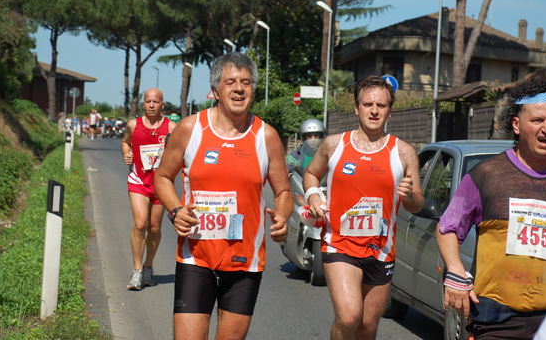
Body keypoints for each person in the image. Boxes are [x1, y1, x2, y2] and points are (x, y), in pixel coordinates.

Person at [154, 53, 293, 340]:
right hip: (197, 256)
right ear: (216, 91)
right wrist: (175, 209)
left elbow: (283, 191)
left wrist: (282, 216)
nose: (239, 89)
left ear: (253, 89)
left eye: (246, 82)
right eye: (230, 82)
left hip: (245, 262)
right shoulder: (190, 129)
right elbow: (162, 177)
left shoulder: (266, 137)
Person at [436, 76, 546, 340]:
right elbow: (448, 227)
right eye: (537, 120)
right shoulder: (487, 175)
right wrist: (455, 270)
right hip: (496, 319)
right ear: (516, 124)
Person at [302, 75, 424, 340]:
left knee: (368, 326)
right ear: (357, 108)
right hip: (340, 244)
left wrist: (410, 196)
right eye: (368, 104)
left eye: (381, 105)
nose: (374, 110)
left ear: (390, 111)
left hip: (381, 249)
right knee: (349, 316)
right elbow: (311, 175)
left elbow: (417, 204)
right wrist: (313, 197)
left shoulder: (403, 153)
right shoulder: (334, 145)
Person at [122, 88, 177, 290]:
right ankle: (136, 271)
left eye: (156, 102)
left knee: (154, 228)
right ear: (143, 104)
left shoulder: (172, 127)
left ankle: (148, 267)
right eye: (148, 102)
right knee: (140, 223)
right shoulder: (132, 125)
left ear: (162, 104)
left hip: (161, 184)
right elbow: (125, 143)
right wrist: (126, 153)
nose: (151, 105)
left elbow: (181, 152)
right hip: (138, 180)